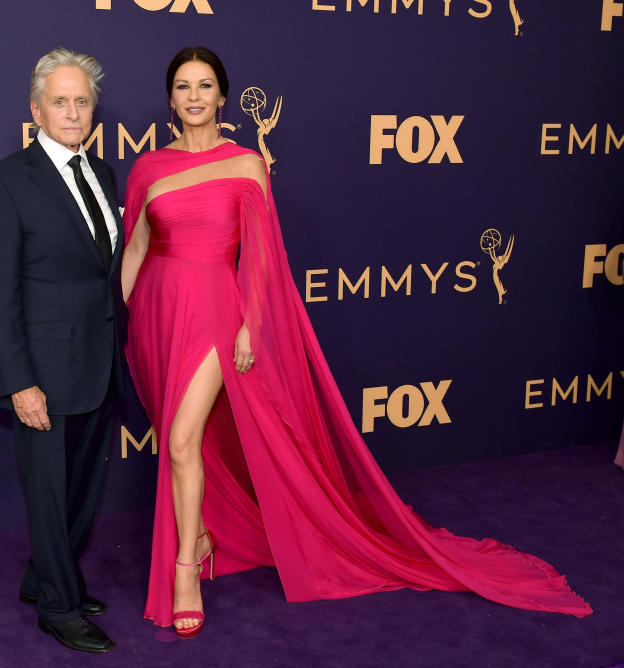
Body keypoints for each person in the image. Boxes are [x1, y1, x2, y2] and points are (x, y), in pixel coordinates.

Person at [120, 46, 592, 638]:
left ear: (223, 96)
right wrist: (131, 321)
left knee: (185, 441)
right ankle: (205, 533)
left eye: (205, 85)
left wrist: (251, 324)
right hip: (156, 314)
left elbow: (263, 258)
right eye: (183, 86)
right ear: (170, 98)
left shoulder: (246, 164)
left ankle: (186, 569)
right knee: (183, 442)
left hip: (216, 310)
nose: (194, 96)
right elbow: (136, 249)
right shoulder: (148, 168)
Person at [0, 48, 124, 654]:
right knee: (51, 490)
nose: (72, 111)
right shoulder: (4, 183)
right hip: (43, 371)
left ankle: (44, 579)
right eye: (59, 101)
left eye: (82, 101)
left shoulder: (104, 174)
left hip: (98, 361)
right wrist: (18, 381)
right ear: (35, 110)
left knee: (85, 487)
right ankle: (58, 609)